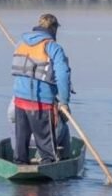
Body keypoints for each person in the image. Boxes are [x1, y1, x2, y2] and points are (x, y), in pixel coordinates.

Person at [11, 13, 71, 165]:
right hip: (41, 103)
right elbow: (63, 75)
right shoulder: (53, 47)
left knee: (20, 145)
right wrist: (64, 102)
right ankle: (46, 171)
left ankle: (20, 166)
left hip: (19, 101)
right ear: (53, 28)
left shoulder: (21, 43)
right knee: (46, 149)